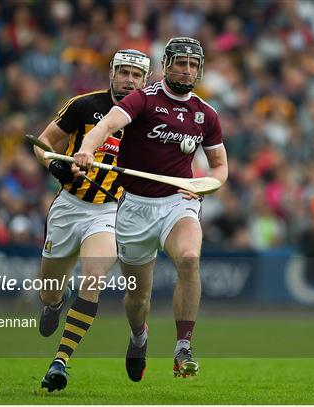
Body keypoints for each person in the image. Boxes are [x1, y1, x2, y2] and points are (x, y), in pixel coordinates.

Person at [74, 37, 228, 380]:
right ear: (166, 64)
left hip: (179, 203)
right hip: (136, 209)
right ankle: (138, 336)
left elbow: (219, 167)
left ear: (199, 69)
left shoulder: (206, 114)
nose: (185, 70)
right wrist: (86, 148)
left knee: (189, 258)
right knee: (138, 298)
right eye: (179, 63)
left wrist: (204, 185)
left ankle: (182, 347)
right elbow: (106, 126)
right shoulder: (143, 99)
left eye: (192, 65)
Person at [32, 49, 151, 392]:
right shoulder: (84, 106)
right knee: (49, 291)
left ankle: (60, 362)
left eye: (137, 75)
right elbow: (43, 143)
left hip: (111, 211)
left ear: (146, 81)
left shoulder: (146, 120)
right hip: (69, 207)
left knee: (94, 277)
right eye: (124, 72)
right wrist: (52, 163)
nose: (129, 79)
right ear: (112, 74)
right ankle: (56, 300)